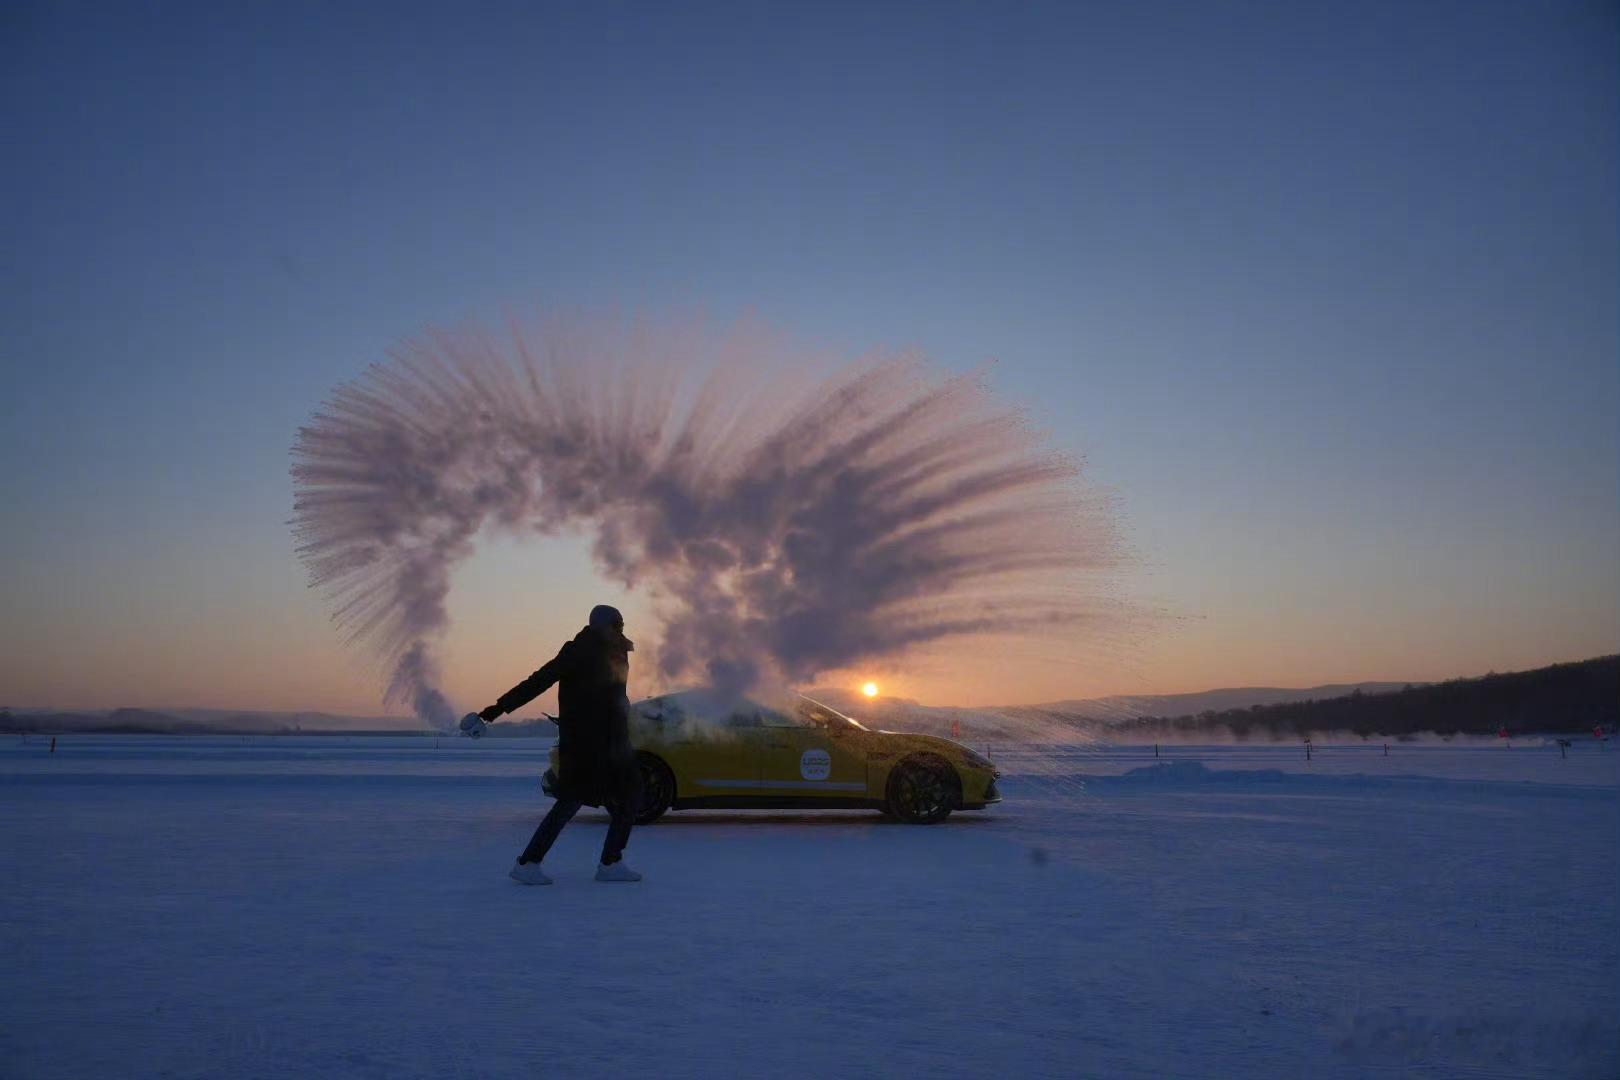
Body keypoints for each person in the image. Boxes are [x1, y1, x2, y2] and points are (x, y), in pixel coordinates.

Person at [475, 604, 643, 884]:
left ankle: (611, 863)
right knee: (570, 803)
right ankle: (528, 863)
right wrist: (493, 711)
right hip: (584, 743)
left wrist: (627, 712)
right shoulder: (577, 651)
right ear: (601, 626)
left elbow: (616, 695)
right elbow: (537, 682)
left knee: (631, 795)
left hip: (615, 742)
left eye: (621, 625)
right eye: (616, 625)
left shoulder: (619, 651)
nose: (620, 629)